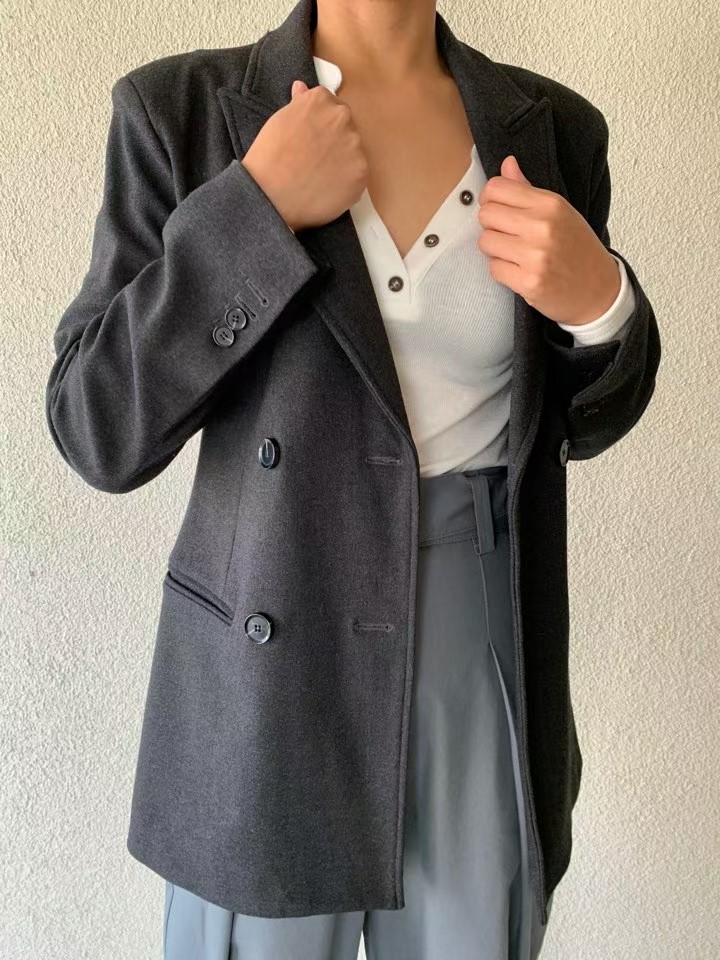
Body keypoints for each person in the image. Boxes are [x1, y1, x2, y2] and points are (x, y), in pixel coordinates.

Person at [45, 0, 660, 957]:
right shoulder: (182, 111)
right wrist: (255, 209)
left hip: (478, 639)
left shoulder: (554, 130)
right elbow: (97, 426)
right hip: (269, 656)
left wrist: (603, 305)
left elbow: (582, 420)